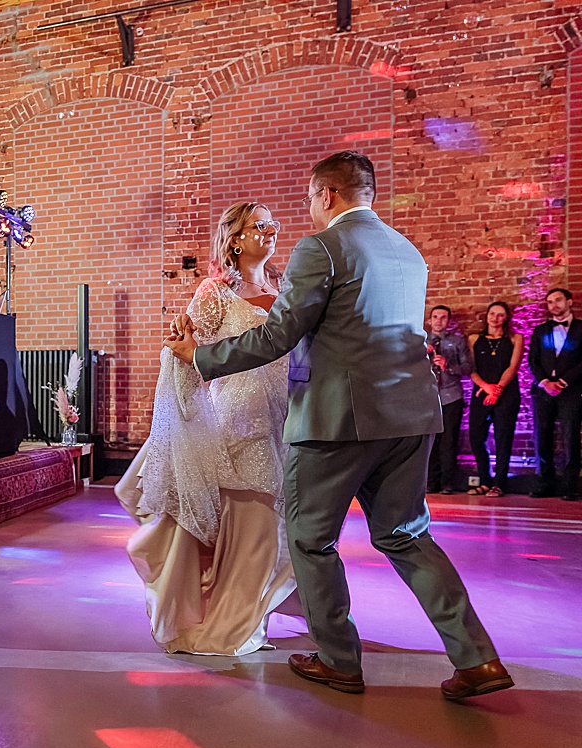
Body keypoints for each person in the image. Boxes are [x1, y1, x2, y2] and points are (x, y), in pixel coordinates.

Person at [167, 151, 511, 700]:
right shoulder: (407, 252)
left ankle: (338, 660)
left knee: (309, 537)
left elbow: (278, 334)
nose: (305, 212)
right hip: (412, 415)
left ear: (327, 194)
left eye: (308, 199)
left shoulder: (322, 247)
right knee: (406, 535)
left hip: (339, 420)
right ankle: (478, 658)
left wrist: (200, 358)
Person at [116, 202, 296, 656]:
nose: (270, 231)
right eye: (260, 225)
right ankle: (231, 629)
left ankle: (245, 618)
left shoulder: (282, 291)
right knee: (256, 532)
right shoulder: (215, 291)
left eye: (273, 224)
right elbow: (183, 352)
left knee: (275, 531)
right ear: (234, 239)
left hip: (281, 419)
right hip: (237, 419)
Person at [528, 287, 582, 500]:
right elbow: (533, 360)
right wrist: (544, 382)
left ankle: (570, 486)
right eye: (550, 302)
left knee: (571, 436)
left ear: (569, 301)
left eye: (558, 300)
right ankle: (545, 483)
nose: (554, 305)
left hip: (572, 390)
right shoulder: (540, 330)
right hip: (543, 391)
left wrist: (563, 381)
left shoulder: (581, 328)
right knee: (542, 436)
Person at [466, 301, 524, 498]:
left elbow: (513, 367)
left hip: (506, 393)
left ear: (506, 317)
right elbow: (470, 368)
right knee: (476, 437)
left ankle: (499, 483)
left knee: (503, 437)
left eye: (500, 314)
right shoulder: (475, 339)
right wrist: (486, 386)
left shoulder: (515, 338)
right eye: (492, 313)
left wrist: (497, 389)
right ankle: (484, 480)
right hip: (481, 391)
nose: (495, 318)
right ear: (487, 315)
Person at [426, 305, 473, 494]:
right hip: (426, 397)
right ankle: (430, 482)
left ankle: (447, 482)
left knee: (449, 441)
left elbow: (468, 368)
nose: (439, 321)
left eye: (443, 317)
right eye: (435, 317)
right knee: (429, 441)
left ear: (448, 321)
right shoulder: (418, 342)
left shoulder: (457, 341)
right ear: (429, 320)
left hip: (451, 396)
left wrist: (449, 366)